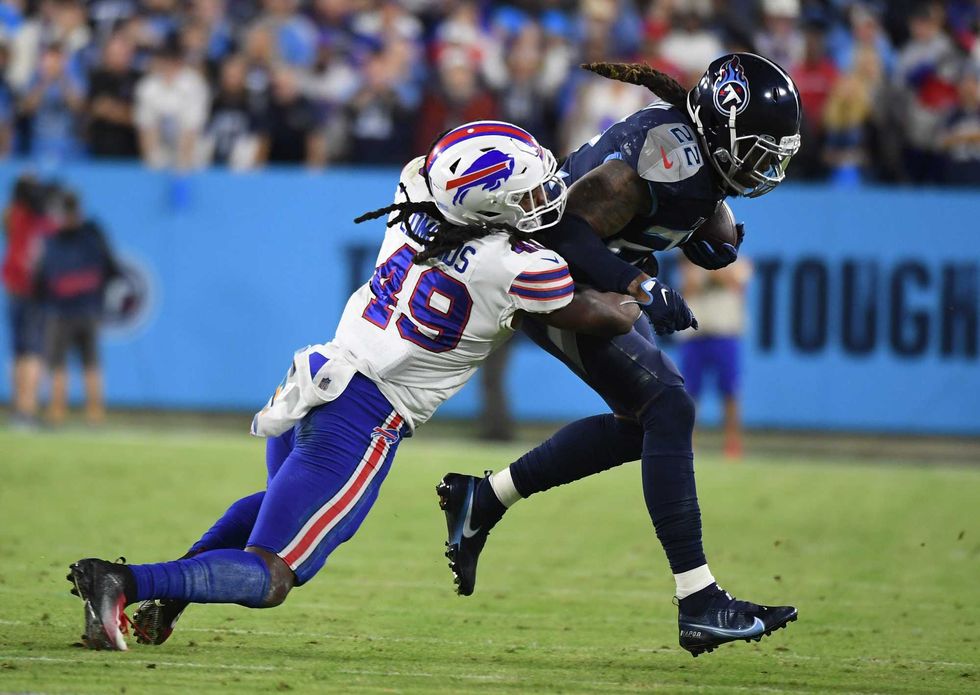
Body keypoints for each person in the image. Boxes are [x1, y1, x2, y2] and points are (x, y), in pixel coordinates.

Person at [65, 121, 642, 651]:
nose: (544, 199)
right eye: (527, 195)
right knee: (274, 574)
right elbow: (608, 316)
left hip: (318, 376)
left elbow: (438, 168)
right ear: (485, 207)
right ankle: (123, 581)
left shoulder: (415, 189)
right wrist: (638, 284)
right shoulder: (519, 266)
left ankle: (170, 595)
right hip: (364, 415)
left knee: (275, 508)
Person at [436, 53, 802, 657]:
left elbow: (670, 215)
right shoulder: (665, 159)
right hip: (549, 279)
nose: (765, 169)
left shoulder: (695, 159)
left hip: (582, 278)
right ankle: (699, 601)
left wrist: (696, 232)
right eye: (759, 152)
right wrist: (642, 284)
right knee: (668, 408)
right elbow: (561, 232)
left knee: (647, 425)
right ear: (722, 127)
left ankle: (485, 498)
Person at [34, 190, 119, 425]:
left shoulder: (54, 240)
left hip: (62, 311)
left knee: (61, 363)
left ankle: (59, 412)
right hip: (85, 310)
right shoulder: (93, 236)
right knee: (89, 363)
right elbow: (112, 268)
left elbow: (41, 278)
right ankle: (93, 413)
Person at [678, 240, 752, 459]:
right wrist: (707, 273)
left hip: (725, 333)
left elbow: (734, 283)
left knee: (730, 390)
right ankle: (688, 444)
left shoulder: (738, 262)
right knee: (690, 392)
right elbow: (689, 287)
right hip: (695, 335)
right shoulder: (689, 261)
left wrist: (710, 271)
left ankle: (732, 444)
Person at [2, 175, 53, 427]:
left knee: (20, 351)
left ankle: (18, 409)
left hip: (15, 289)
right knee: (33, 351)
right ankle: (27, 410)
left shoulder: (15, 215)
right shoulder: (45, 222)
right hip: (34, 292)